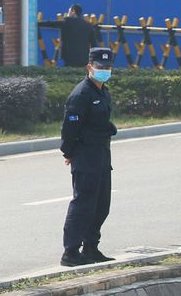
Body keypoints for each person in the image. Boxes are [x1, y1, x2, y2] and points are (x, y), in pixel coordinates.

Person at [59, 47, 119, 267]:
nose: (104, 70)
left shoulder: (102, 91)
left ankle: (91, 247)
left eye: (107, 67)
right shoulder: (81, 94)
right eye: (100, 67)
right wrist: (69, 152)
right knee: (83, 204)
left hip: (102, 154)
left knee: (101, 204)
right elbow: (70, 128)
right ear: (89, 67)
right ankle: (71, 252)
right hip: (86, 155)